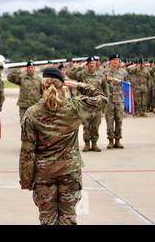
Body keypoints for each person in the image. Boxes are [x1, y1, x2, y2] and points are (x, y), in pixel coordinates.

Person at [19, 67, 108, 225]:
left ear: (42, 86)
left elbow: (27, 151)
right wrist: (79, 85)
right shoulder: (74, 108)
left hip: (43, 173)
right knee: (68, 217)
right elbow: (101, 98)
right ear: (63, 86)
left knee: (47, 218)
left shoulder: (32, 113)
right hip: (69, 171)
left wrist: (26, 180)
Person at [68, 57, 109, 152]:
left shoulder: (101, 76)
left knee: (95, 125)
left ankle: (94, 143)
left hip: (96, 105)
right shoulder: (81, 75)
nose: (91, 65)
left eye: (93, 63)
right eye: (89, 63)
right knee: (86, 126)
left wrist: (105, 102)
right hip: (85, 105)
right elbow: (70, 74)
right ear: (87, 64)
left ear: (96, 64)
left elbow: (105, 89)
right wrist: (79, 66)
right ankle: (86, 144)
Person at [104, 54, 129, 149]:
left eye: (117, 60)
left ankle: (118, 140)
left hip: (120, 100)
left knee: (119, 120)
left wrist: (127, 100)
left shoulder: (123, 72)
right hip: (109, 100)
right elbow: (102, 83)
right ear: (110, 61)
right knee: (109, 121)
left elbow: (127, 84)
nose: (115, 61)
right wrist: (108, 80)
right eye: (113, 60)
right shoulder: (105, 71)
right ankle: (110, 141)